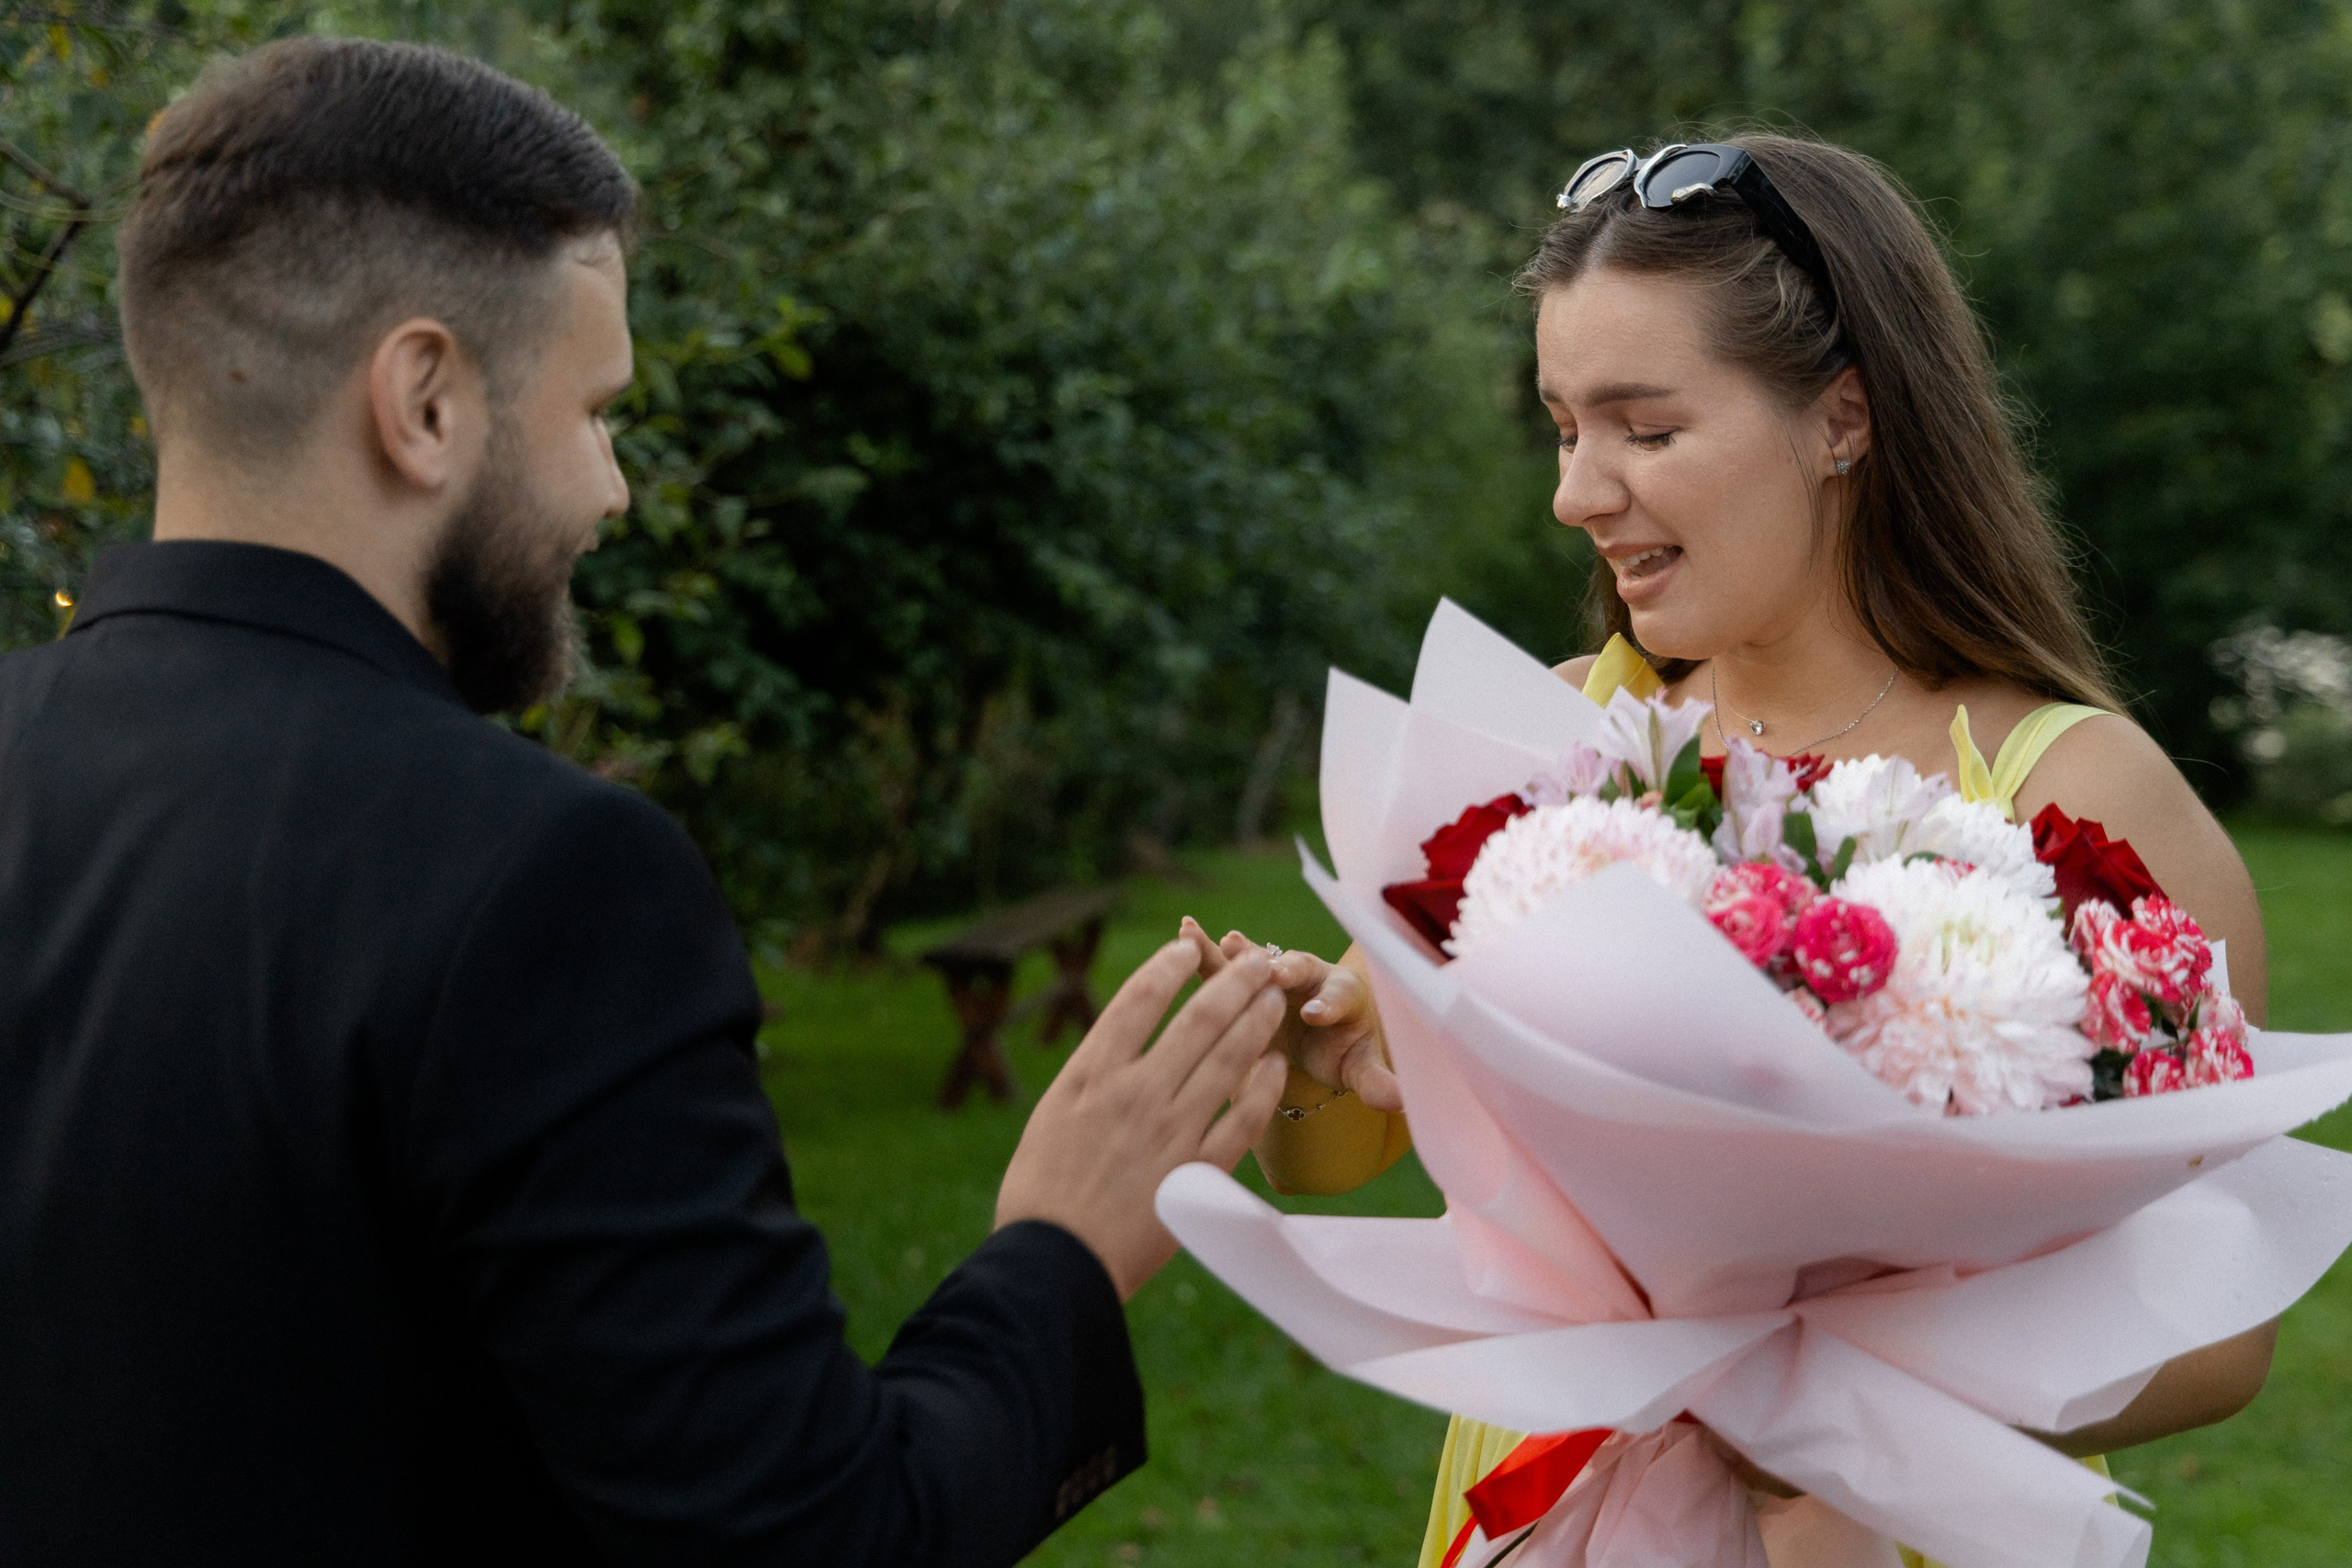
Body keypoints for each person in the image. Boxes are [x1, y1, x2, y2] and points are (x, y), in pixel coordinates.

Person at [0, 38, 1291, 1566]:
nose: (614, 489)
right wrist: (1063, 1250)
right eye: (595, 410)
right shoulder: (538, 881)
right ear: (423, 400)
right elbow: (812, 1539)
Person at [1186, 133, 2278, 1567]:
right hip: (1539, 1510)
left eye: (1644, 430)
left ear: (1843, 418)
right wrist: (1308, 1062)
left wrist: (1819, 1401)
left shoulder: (2077, 794)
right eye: (1565, 427)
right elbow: (1341, 1153)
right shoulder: (1566, 729)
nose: (1579, 493)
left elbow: (2228, 1336)